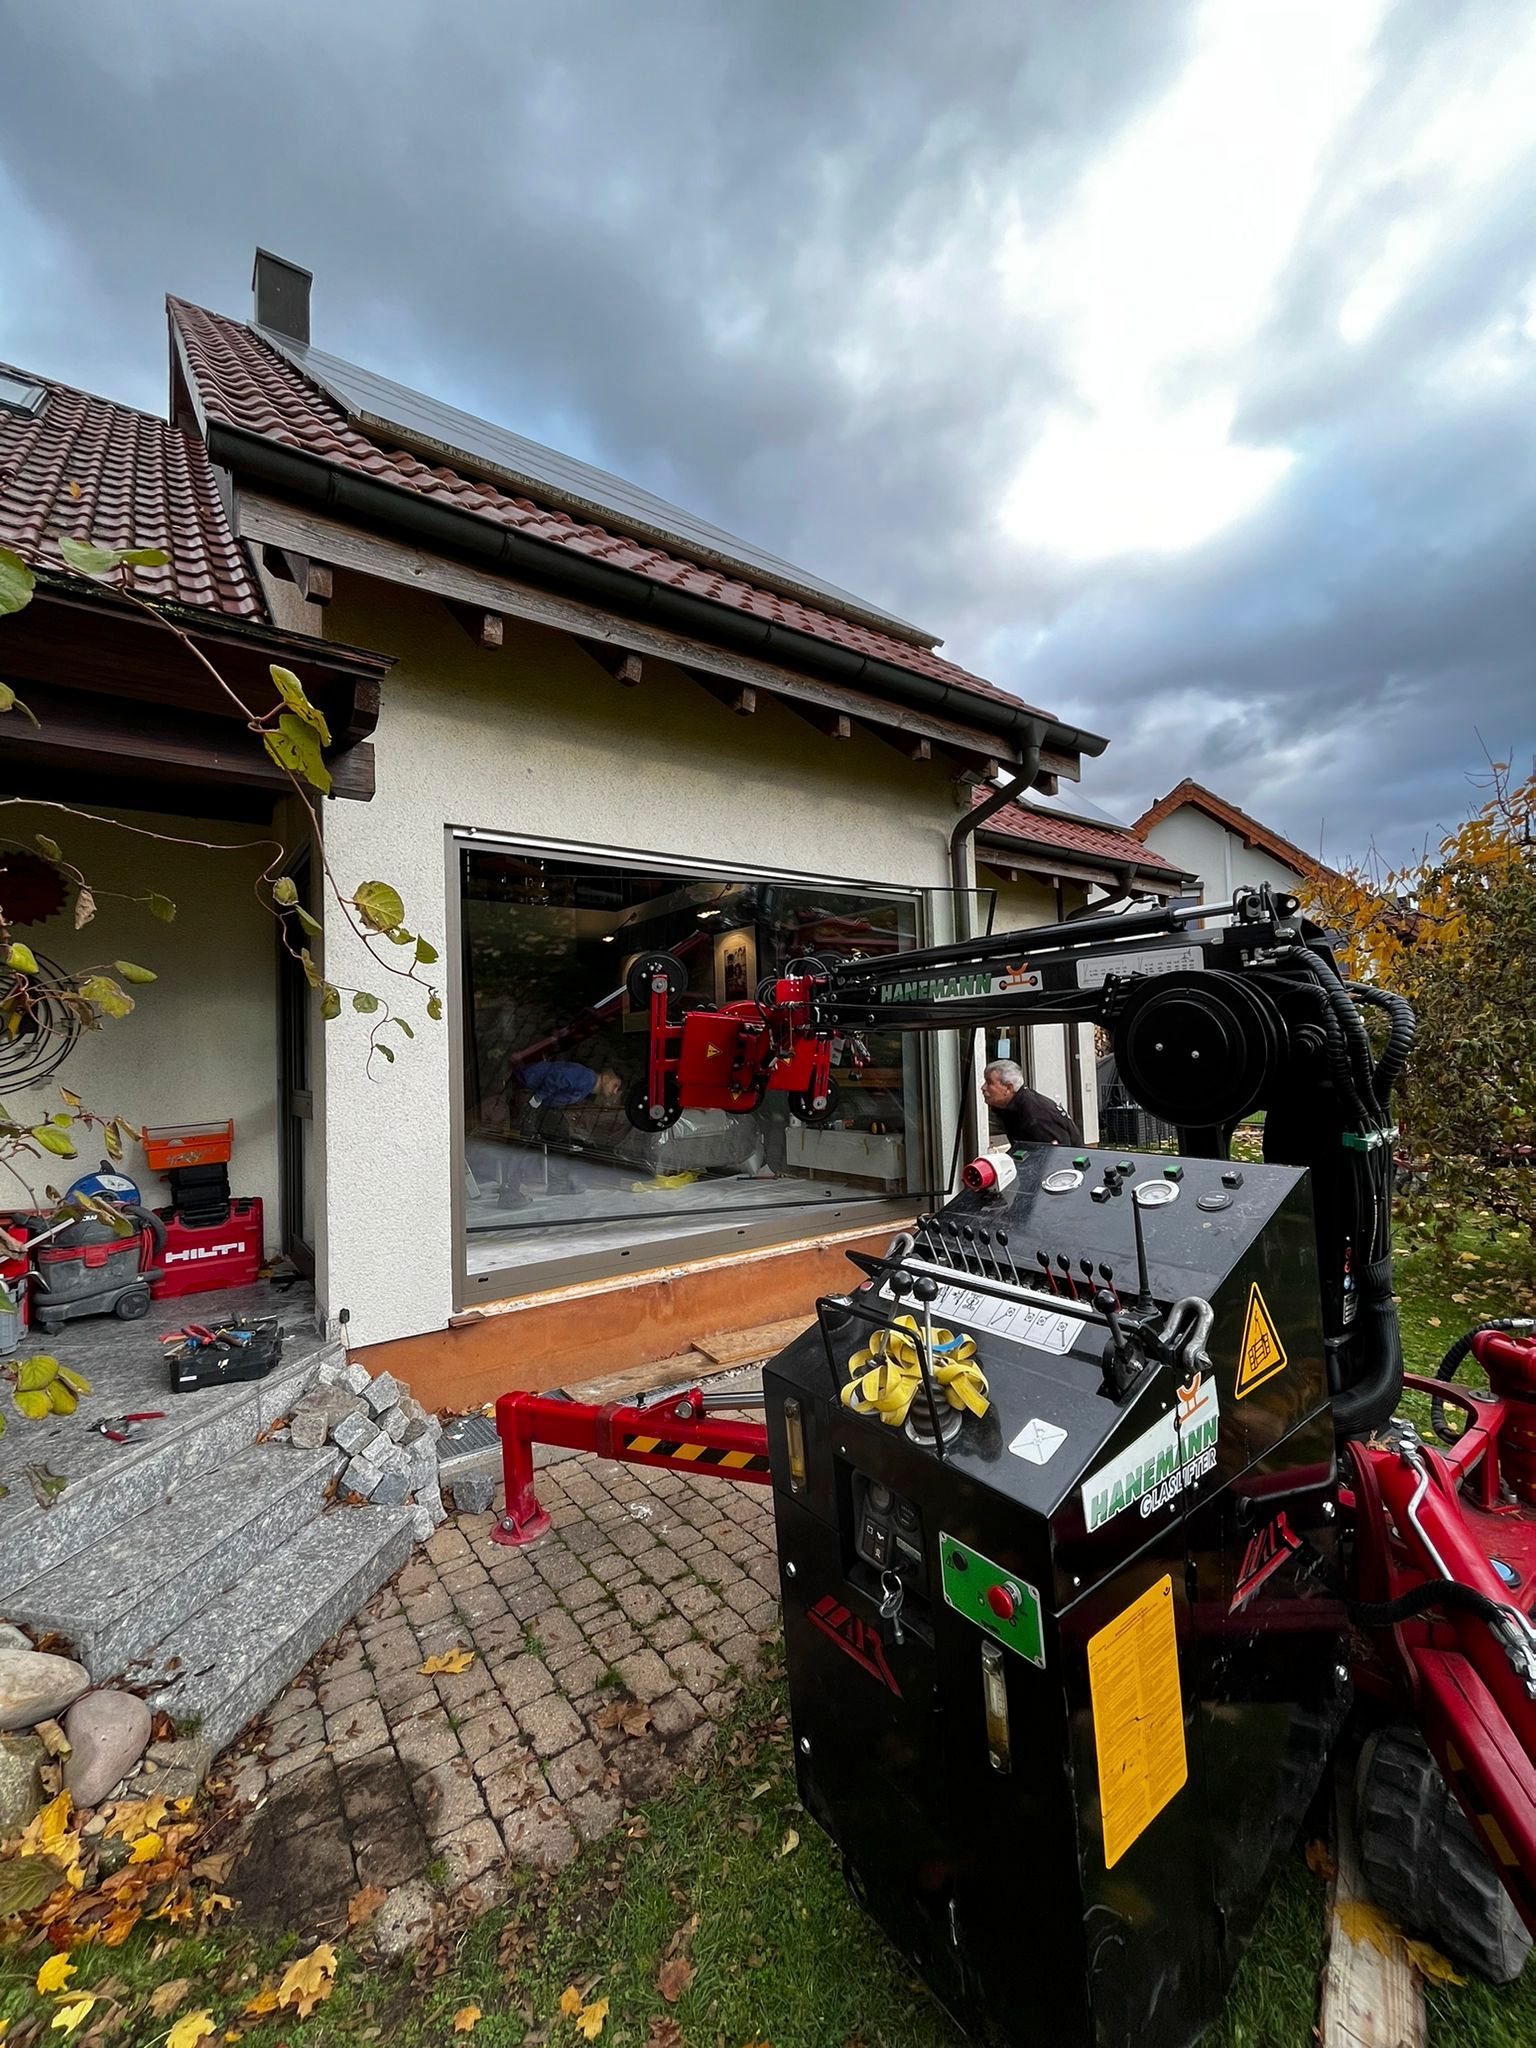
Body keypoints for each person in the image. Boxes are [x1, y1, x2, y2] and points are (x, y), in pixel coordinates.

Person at [982, 1059, 1083, 1148]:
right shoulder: (1011, 1107)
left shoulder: (1036, 1116)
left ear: (1009, 1088)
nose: (983, 1088)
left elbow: (1058, 1157)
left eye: (989, 1083)